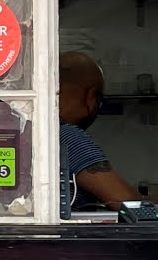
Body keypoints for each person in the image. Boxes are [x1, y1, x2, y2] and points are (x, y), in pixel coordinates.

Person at [58, 51, 135, 216]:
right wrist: (149, 203)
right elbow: (126, 202)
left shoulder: (29, 130)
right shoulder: (67, 136)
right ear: (91, 97)